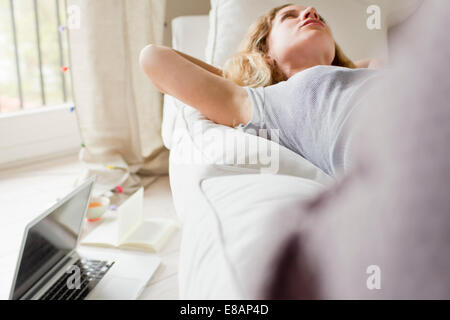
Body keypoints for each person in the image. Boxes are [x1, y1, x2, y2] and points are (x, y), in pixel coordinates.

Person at [139, 4, 382, 176]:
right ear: (264, 49)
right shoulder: (266, 102)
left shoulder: (369, 72)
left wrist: (342, 65)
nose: (311, 12)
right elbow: (154, 58)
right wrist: (236, 77)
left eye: (319, 18)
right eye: (289, 16)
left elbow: (374, 63)